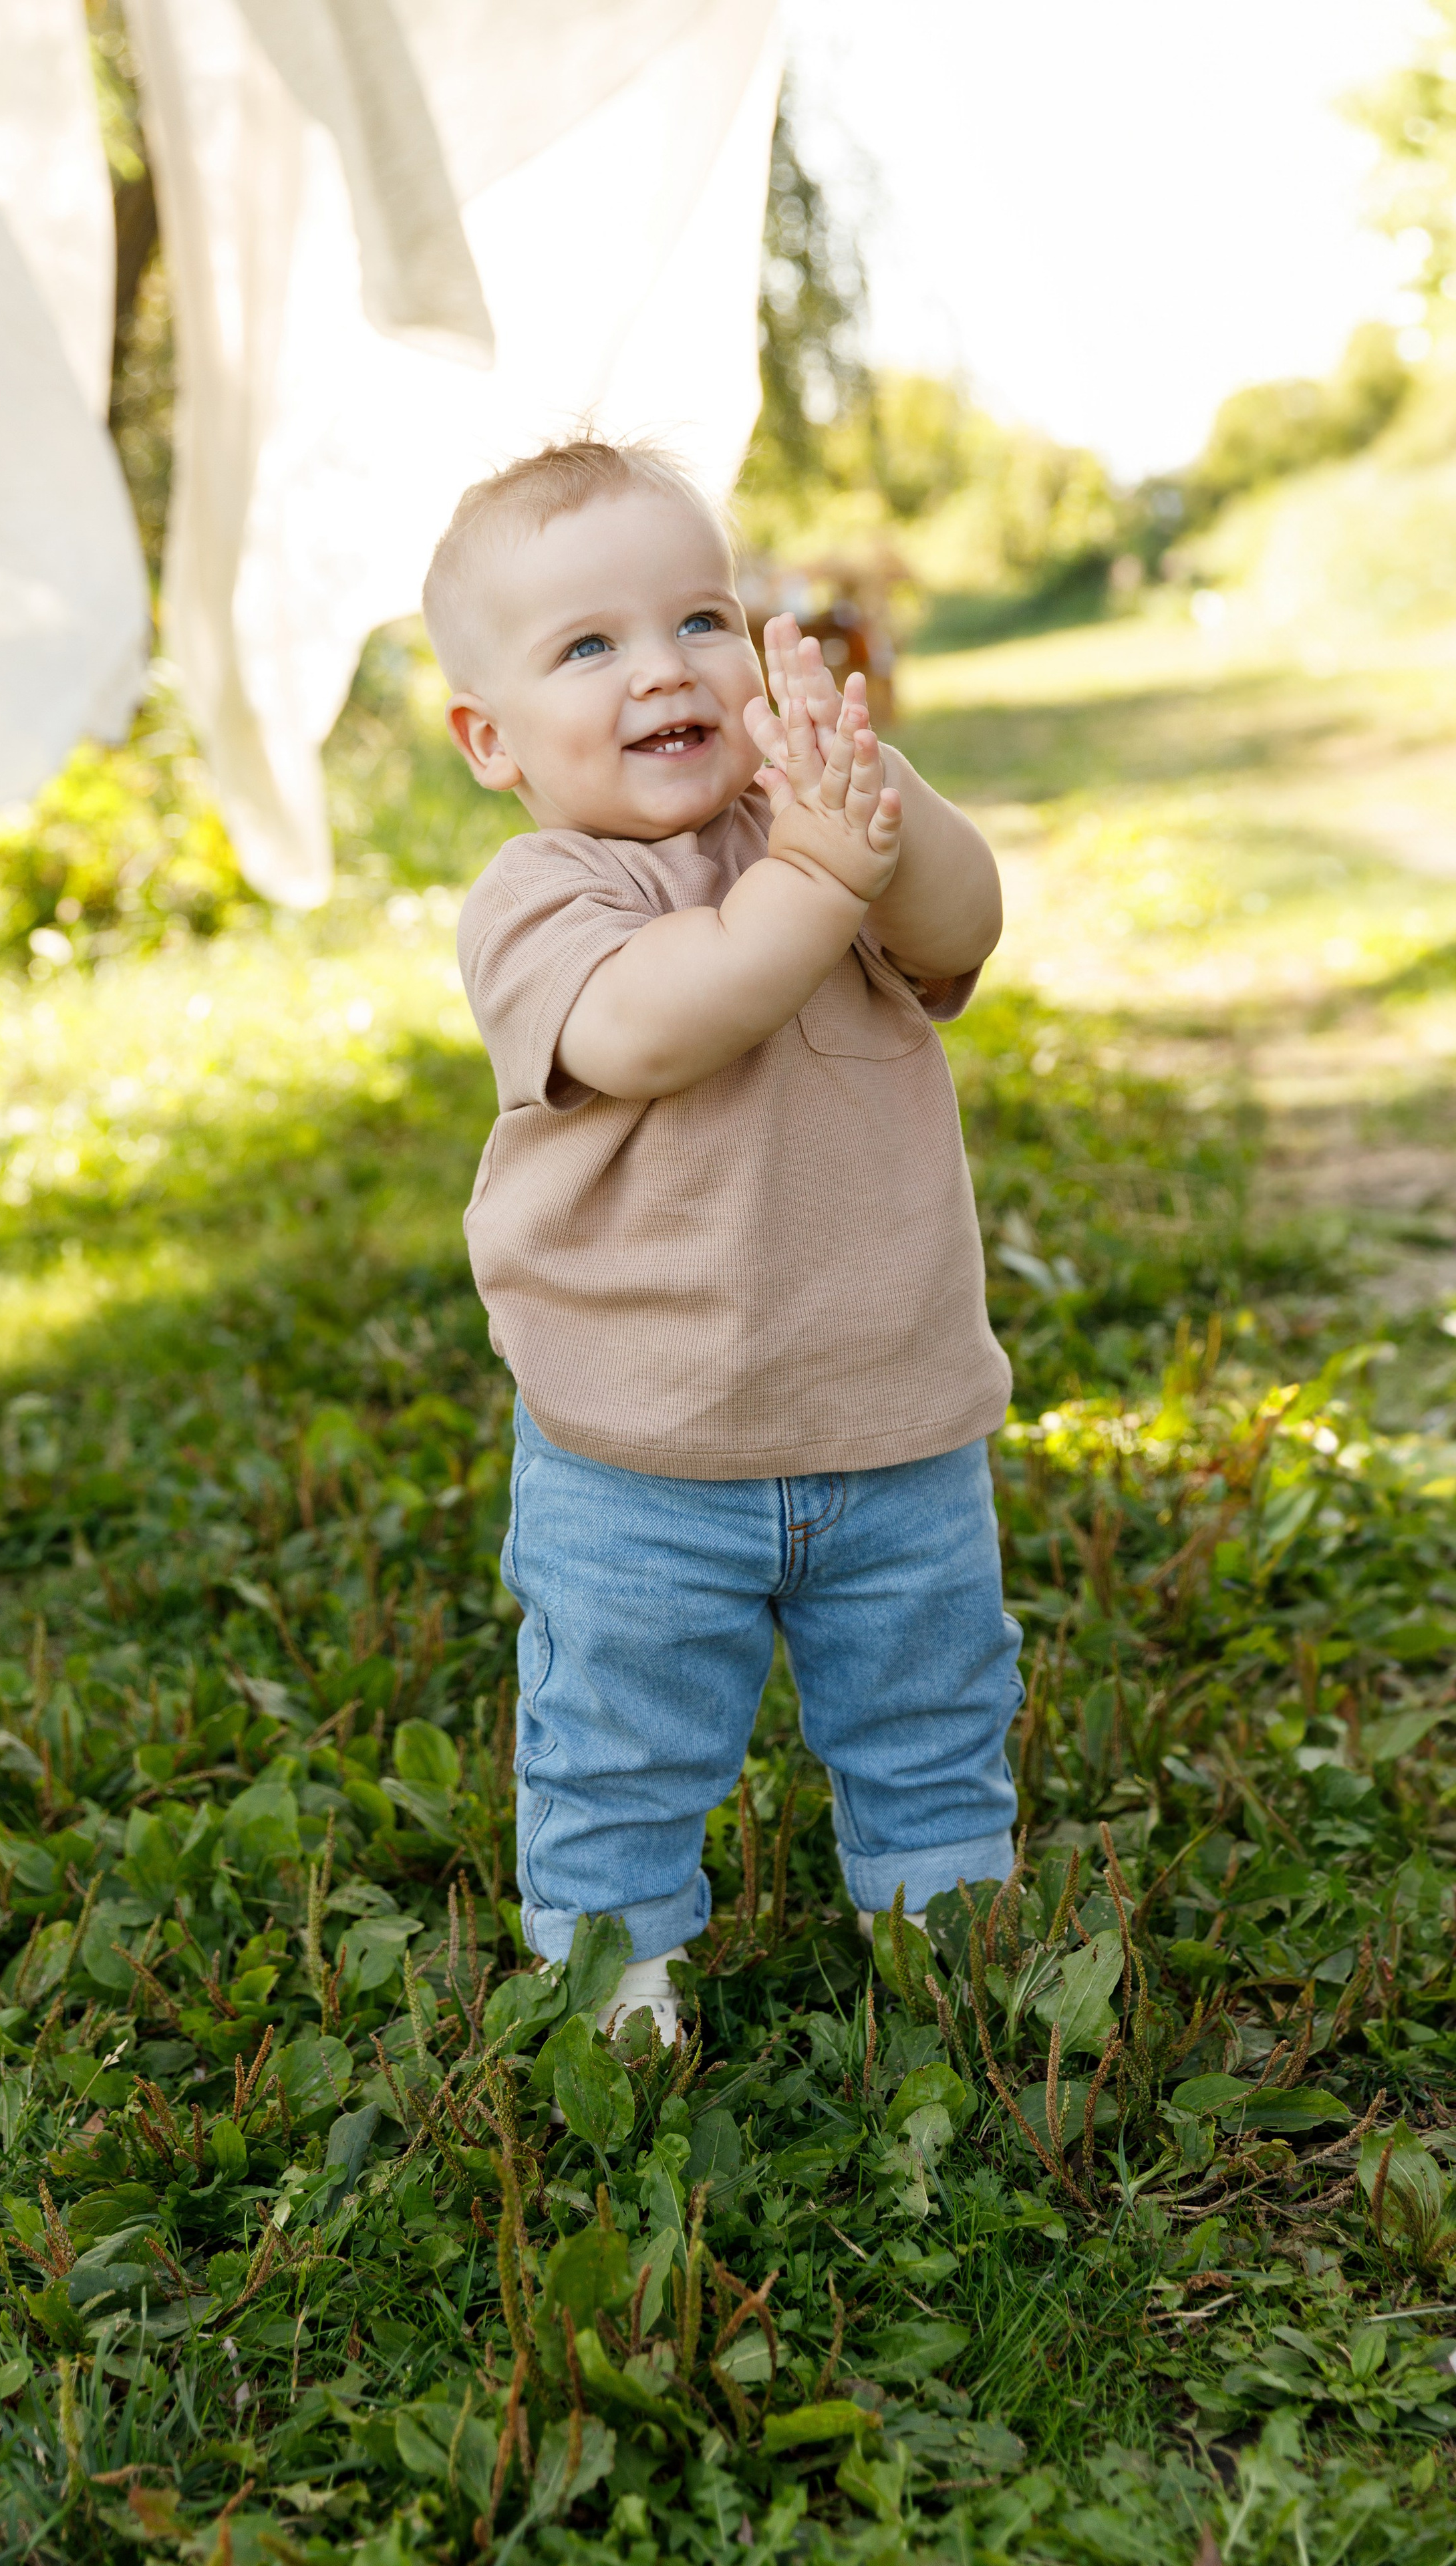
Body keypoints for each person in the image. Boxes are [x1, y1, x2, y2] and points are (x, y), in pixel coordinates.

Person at [424, 436, 1021, 2043]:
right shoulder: (539, 892)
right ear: (490, 738)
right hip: (640, 1450)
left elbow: (959, 928)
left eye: (700, 621)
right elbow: (650, 1028)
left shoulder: (818, 832)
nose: (660, 671)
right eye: (586, 647)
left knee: (931, 1704)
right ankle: (615, 1985)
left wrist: (873, 804)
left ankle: (943, 1921)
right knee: (618, 1734)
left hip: (891, 1418)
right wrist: (820, 877)